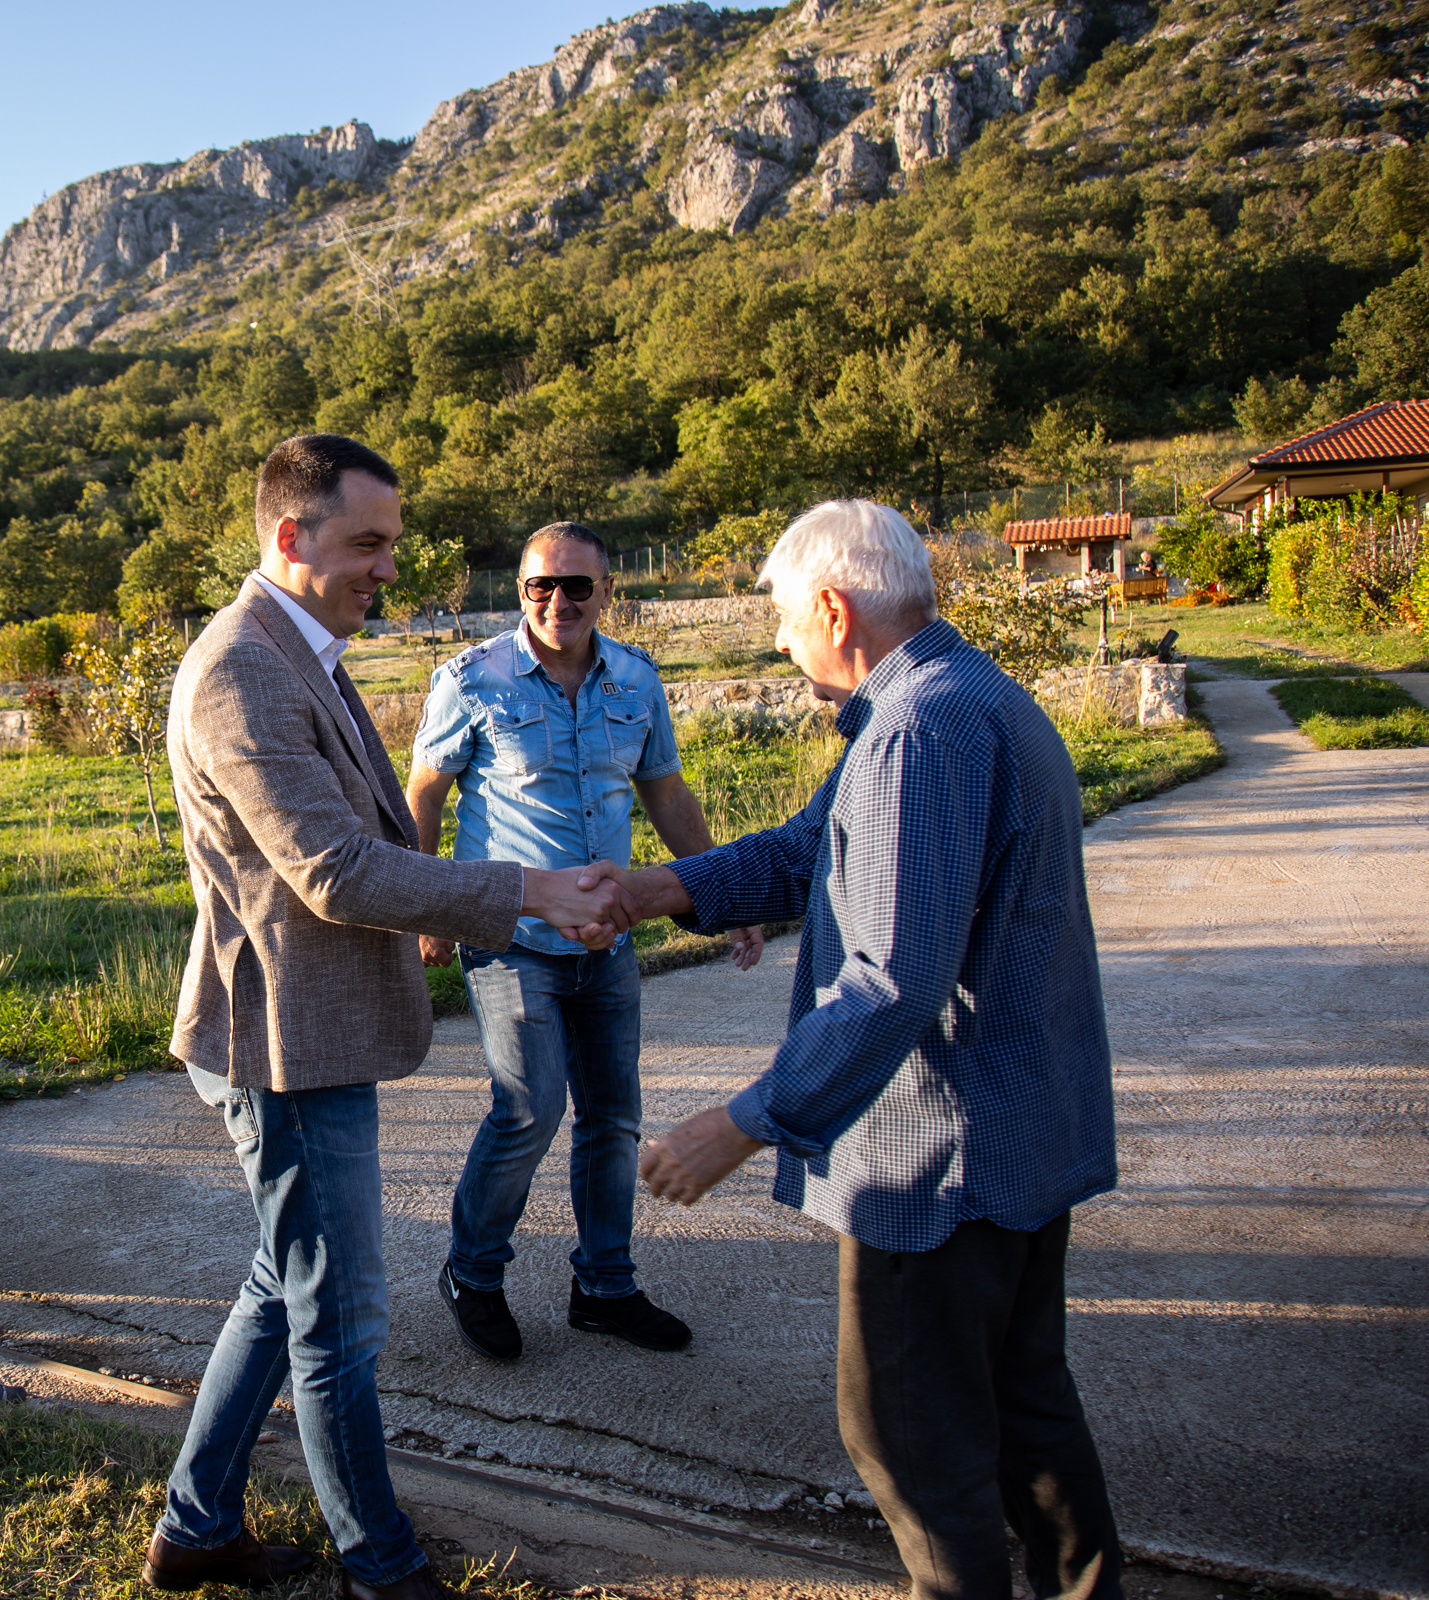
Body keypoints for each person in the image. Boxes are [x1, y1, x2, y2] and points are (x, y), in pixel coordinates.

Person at [579, 500, 1124, 1600]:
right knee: (1025, 1413)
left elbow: (892, 983)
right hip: (1016, 1143)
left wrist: (738, 1123)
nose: (780, 642)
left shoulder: (918, 729)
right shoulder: (959, 698)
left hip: (939, 1167)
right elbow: (806, 852)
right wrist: (663, 887)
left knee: (914, 1443)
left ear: (833, 607)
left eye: (783, 618)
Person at [148, 437, 633, 1600]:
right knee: (340, 1319)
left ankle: (196, 1526)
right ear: (289, 537)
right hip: (282, 1040)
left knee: (286, 1283)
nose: (386, 569)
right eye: (365, 544)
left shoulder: (296, 649)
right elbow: (334, 869)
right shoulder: (242, 671)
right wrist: (521, 889)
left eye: (391, 546)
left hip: (305, 1028)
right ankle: (381, 1563)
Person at [407, 521, 763, 1361]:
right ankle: (474, 1273)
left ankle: (604, 1287)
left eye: (576, 586)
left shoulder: (636, 680)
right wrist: (428, 908)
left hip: (608, 939)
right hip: (508, 934)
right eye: (540, 585)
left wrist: (723, 889)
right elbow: (423, 794)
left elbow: (666, 792)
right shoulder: (470, 680)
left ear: (608, 591)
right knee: (529, 1109)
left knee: (611, 1117)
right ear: (520, 590)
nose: (557, 601)